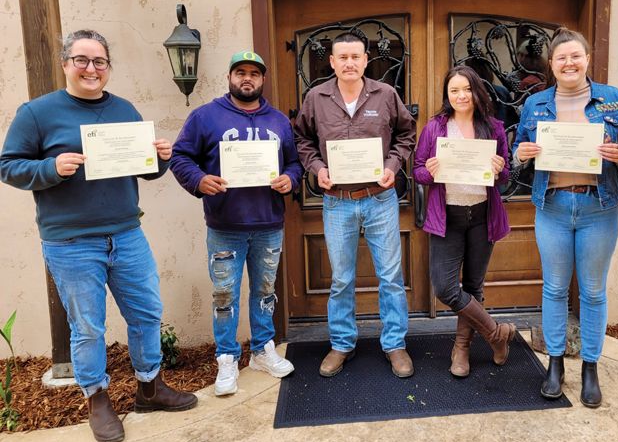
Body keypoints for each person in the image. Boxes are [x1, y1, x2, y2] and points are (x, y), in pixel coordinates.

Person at [0, 29, 197, 442]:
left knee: (146, 313)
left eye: (100, 62)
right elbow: (9, 166)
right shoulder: (36, 113)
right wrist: (51, 169)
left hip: (126, 233)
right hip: (71, 241)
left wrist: (159, 160)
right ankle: (98, 399)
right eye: (83, 60)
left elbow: (142, 170)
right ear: (66, 63)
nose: (92, 69)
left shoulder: (123, 110)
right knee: (88, 326)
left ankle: (150, 387)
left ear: (108, 67)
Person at [512, 27, 618, 408]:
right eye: (561, 57)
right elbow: (517, 147)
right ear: (551, 64)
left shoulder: (613, 100)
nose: (569, 63)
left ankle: (590, 367)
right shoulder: (535, 104)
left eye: (575, 56)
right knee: (553, 288)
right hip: (551, 206)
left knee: (593, 291)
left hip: (598, 207)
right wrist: (522, 152)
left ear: (587, 59)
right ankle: (554, 364)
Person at [169, 51, 302, 396]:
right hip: (225, 225)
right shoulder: (205, 117)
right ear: (230, 77)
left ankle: (262, 350)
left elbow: (294, 163)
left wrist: (290, 179)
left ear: (262, 79)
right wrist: (199, 180)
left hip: (269, 223)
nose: (247, 79)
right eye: (240, 72)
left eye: (254, 73)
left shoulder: (278, 122)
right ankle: (227, 358)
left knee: (264, 291)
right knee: (224, 295)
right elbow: (180, 156)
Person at [294, 32, 416, 378]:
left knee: (391, 276)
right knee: (342, 279)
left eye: (355, 57)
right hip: (337, 203)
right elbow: (301, 139)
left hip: (379, 199)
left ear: (365, 60)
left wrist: (392, 167)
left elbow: (408, 134)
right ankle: (342, 343)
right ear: (331, 62)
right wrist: (317, 169)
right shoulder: (316, 98)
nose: (349, 63)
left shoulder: (387, 94)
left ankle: (395, 344)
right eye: (342, 57)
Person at [412, 65, 514, 378]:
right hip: (449, 216)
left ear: (476, 91)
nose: (461, 96)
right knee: (445, 287)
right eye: (454, 90)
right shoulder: (436, 127)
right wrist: (429, 170)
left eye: (466, 89)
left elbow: (507, 176)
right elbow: (417, 171)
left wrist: (499, 169)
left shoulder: (493, 127)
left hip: (482, 215)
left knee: (473, 286)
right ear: (447, 95)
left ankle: (462, 349)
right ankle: (496, 333)